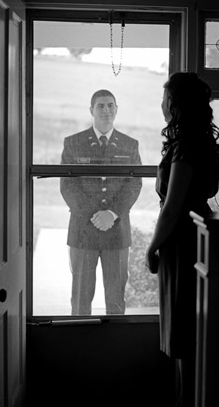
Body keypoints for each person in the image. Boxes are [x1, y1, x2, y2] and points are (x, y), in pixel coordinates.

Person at [145, 72, 219, 406]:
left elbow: (173, 206)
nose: (161, 104)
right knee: (185, 328)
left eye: (165, 98)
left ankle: (187, 399)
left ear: (175, 104)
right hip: (194, 232)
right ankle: (185, 397)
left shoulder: (187, 146)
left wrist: (152, 246)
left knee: (183, 331)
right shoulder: (201, 141)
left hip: (184, 239)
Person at [60, 89, 142, 316]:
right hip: (83, 231)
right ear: (91, 111)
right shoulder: (74, 143)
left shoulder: (129, 145)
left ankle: (114, 347)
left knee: (116, 299)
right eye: (101, 106)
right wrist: (95, 216)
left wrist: (112, 213)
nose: (106, 110)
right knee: (80, 299)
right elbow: (68, 186)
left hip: (116, 232)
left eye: (110, 105)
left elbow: (134, 184)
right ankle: (78, 342)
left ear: (116, 109)